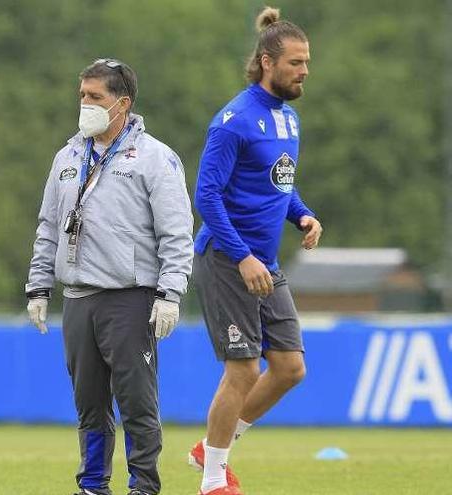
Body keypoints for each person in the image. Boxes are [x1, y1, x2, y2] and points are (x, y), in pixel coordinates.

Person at [26, 58, 193, 495]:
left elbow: (176, 233)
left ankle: (143, 486)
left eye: (94, 97)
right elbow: (48, 226)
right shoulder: (67, 156)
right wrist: (39, 286)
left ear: (122, 103)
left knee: (136, 401)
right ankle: (93, 485)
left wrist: (170, 293)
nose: (85, 104)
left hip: (130, 297)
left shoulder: (156, 158)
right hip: (78, 297)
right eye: (82, 95)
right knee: (89, 405)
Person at [189, 7, 322, 495]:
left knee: (289, 368)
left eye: (307, 62)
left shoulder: (289, 119)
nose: (305, 71)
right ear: (268, 62)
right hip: (227, 259)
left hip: (263, 263)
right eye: (296, 63)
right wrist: (243, 256)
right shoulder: (233, 121)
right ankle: (212, 480)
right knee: (243, 369)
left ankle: (212, 447)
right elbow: (206, 196)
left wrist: (303, 214)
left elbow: (281, 186)